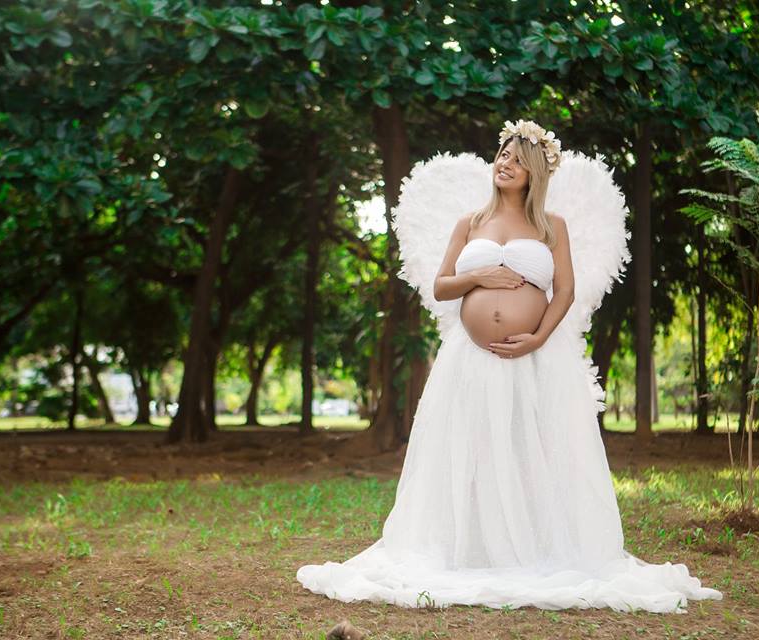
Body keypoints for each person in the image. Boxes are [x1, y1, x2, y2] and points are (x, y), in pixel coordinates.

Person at [296, 120, 723, 613]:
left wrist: (537, 337)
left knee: (527, 448)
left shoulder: (551, 226)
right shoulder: (469, 223)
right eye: (502, 154)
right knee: (470, 448)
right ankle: (468, 548)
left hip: (534, 359)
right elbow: (441, 286)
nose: (505, 164)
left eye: (518, 160)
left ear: (534, 173)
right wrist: (480, 275)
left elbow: (565, 290)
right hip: (470, 360)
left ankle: (532, 547)